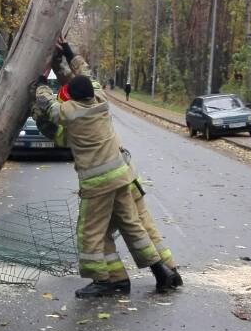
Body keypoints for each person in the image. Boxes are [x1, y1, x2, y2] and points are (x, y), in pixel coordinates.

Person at [32, 41, 183, 299]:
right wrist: (70, 54)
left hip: (98, 184)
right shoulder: (100, 97)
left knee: (89, 232)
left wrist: (39, 84)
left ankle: (103, 281)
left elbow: (49, 106)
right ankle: (161, 270)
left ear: (74, 99)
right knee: (134, 225)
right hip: (123, 177)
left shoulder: (70, 114)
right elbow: (87, 74)